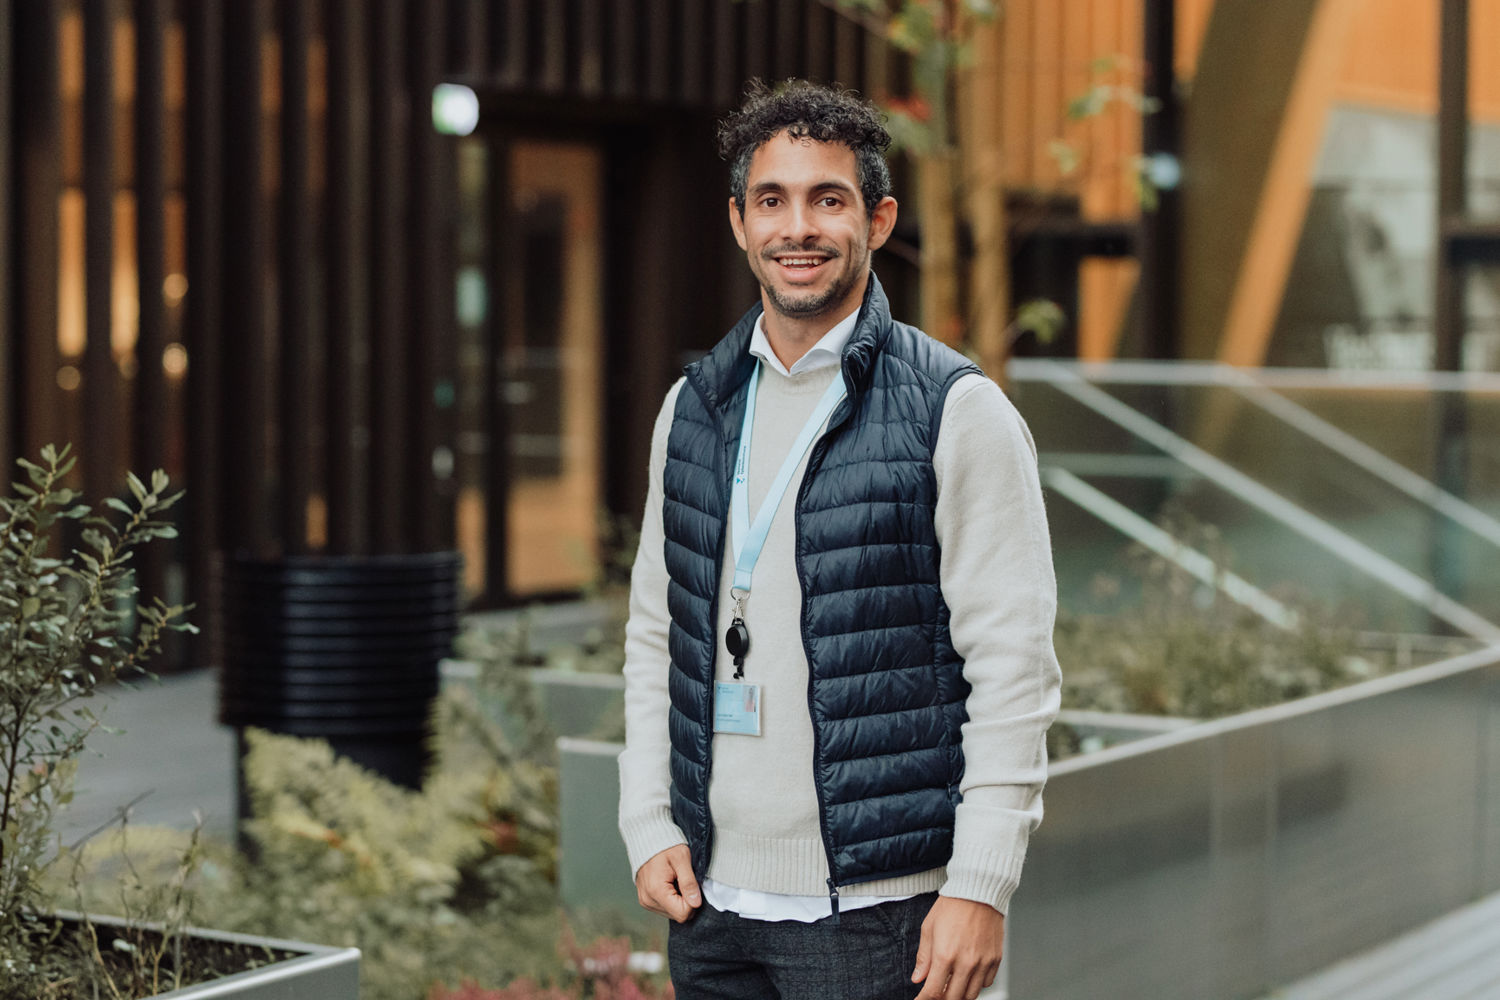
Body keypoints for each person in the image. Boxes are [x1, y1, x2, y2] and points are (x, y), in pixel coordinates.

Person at [617, 79, 1061, 1000]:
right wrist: (646, 818)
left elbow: (1013, 667)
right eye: (772, 200)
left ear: (881, 218)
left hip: (880, 912)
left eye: (830, 198)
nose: (799, 228)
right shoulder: (693, 408)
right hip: (709, 906)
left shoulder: (957, 411)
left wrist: (979, 885)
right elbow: (655, 633)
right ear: (739, 222)